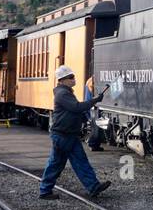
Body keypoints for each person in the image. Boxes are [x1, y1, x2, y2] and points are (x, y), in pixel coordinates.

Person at [39, 66, 111, 200]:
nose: (74, 79)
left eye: (73, 77)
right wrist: (94, 100)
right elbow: (76, 107)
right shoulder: (62, 94)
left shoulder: (65, 92)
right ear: (62, 80)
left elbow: (73, 110)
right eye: (71, 77)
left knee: (79, 161)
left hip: (68, 134)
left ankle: (93, 186)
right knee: (57, 163)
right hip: (62, 135)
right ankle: (44, 191)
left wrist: (84, 117)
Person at [83, 75, 104, 151]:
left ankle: (94, 144)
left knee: (95, 126)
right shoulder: (92, 81)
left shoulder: (90, 80)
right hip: (92, 105)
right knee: (95, 127)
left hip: (91, 105)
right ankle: (92, 144)